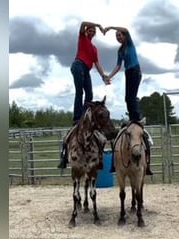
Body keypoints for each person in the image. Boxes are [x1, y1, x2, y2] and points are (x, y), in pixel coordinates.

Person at [57, 21, 110, 169]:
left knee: (90, 94)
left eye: (94, 31)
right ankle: (77, 118)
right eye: (90, 30)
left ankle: (87, 115)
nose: (92, 32)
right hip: (78, 64)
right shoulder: (82, 38)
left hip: (86, 69)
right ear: (86, 31)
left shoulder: (94, 48)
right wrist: (98, 24)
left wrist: (103, 76)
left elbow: (97, 63)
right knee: (79, 91)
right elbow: (82, 23)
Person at [103, 26, 153, 175]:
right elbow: (118, 66)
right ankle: (133, 118)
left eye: (120, 35)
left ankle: (136, 119)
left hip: (135, 70)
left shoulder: (130, 44)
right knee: (127, 98)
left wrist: (111, 28)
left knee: (131, 97)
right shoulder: (120, 51)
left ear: (125, 36)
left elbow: (125, 28)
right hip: (128, 72)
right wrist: (109, 76)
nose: (118, 37)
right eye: (116, 36)